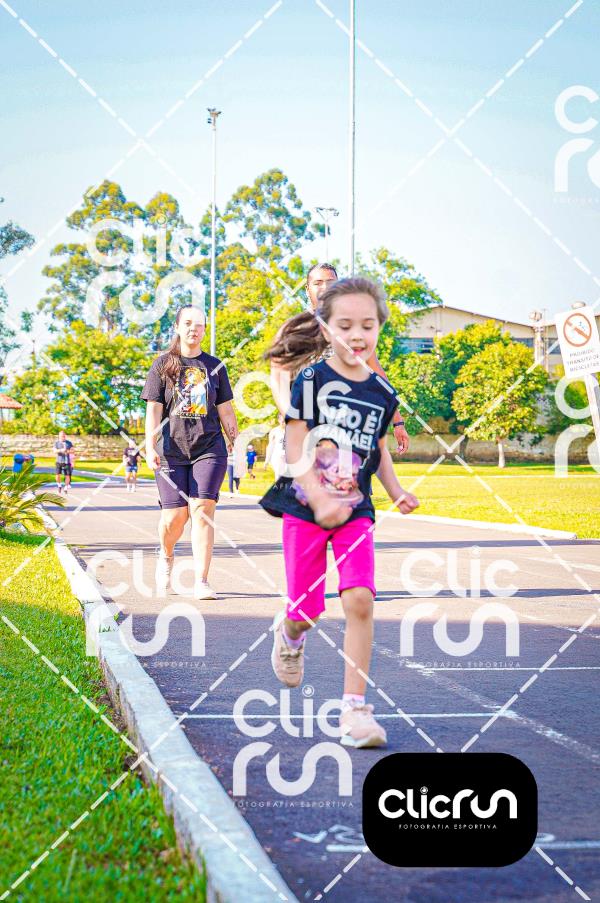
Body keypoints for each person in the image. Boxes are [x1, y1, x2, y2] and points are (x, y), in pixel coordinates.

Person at [260, 277, 419, 749]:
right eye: (345, 325)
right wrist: (319, 497)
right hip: (304, 507)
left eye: (367, 325)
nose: (357, 334)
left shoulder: (382, 391)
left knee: (360, 600)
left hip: (355, 509)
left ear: (379, 329)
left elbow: (378, 448)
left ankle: (355, 710)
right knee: (307, 609)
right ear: (327, 328)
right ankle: (290, 635)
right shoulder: (312, 380)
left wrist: (394, 490)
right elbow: (295, 445)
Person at [142, 305, 239, 600]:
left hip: (209, 447)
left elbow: (225, 409)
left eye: (199, 324)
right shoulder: (162, 365)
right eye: (187, 323)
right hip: (171, 449)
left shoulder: (215, 367)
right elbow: (154, 409)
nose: (193, 329)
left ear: (204, 329)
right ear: (177, 327)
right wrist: (149, 446)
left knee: (202, 509)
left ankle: (201, 580)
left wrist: (234, 439)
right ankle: (166, 554)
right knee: (175, 517)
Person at [268, 263, 410, 454]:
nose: (325, 288)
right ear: (307, 290)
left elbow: (376, 376)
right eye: (318, 283)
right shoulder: (293, 330)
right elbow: (279, 380)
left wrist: (397, 421)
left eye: (330, 282)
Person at [264, 415, 286, 480]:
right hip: (278, 457)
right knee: (279, 476)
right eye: (283, 421)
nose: (285, 423)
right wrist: (267, 460)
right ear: (279, 420)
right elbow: (270, 446)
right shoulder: (274, 431)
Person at [54, 430, 73, 496]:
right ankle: (59, 485)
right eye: (61, 436)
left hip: (67, 462)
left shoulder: (69, 443)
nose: (63, 437)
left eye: (64, 436)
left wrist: (67, 451)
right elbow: (54, 451)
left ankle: (65, 487)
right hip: (59, 461)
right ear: (59, 436)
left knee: (67, 475)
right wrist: (61, 450)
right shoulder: (56, 443)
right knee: (57, 475)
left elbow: (72, 450)